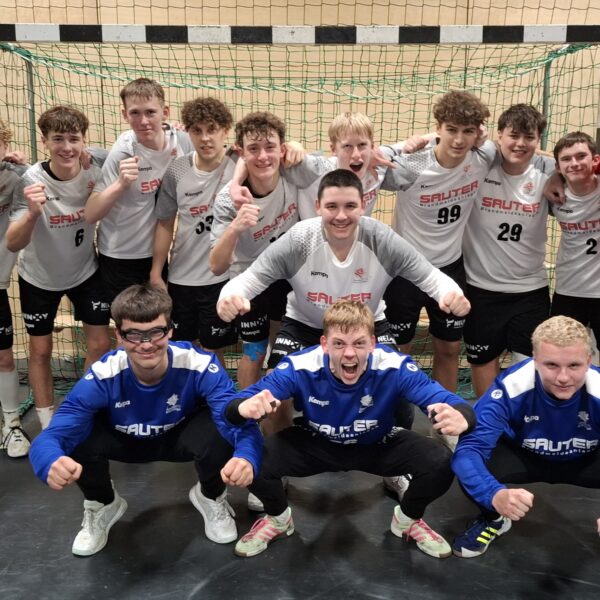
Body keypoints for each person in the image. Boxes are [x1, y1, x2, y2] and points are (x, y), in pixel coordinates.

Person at [223, 300, 475, 559]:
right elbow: (233, 407)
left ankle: (408, 520)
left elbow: (445, 398)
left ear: (373, 343)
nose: (349, 354)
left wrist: (462, 415)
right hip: (317, 442)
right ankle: (278, 519)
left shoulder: (394, 365)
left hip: (376, 444)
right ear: (324, 344)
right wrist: (242, 407)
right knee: (251, 461)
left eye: (359, 343)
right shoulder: (299, 366)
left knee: (440, 461)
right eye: (339, 344)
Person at [29, 284, 263, 556]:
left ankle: (210, 495)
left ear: (170, 330)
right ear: (119, 335)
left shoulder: (199, 364)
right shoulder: (103, 374)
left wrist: (246, 456)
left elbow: (237, 419)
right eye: (134, 334)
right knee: (77, 435)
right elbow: (54, 433)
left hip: (179, 437)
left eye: (156, 332)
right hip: (124, 439)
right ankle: (102, 503)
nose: (147, 344)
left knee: (222, 427)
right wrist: (49, 461)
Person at [452, 316, 600, 558]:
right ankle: (494, 519)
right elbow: (468, 452)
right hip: (524, 456)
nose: (563, 377)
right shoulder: (510, 387)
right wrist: (493, 495)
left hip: (586, 459)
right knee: (472, 466)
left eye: (574, 365)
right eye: (551, 365)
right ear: (534, 359)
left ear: (589, 361)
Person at [380, 90, 495, 393]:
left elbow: (522, 152)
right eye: (451, 130)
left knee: (449, 349)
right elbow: (367, 161)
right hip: (404, 272)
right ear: (438, 128)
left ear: (478, 132)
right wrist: (404, 145)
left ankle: (445, 417)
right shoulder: (412, 165)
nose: (458, 140)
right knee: (397, 353)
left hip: (450, 267)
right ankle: (397, 415)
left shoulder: (483, 157)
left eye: (467, 131)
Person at [6, 106, 111, 431]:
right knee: (40, 351)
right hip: (39, 278)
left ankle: (82, 412)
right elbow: (12, 242)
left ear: (84, 140)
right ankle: (47, 423)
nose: (67, 147)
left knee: (100, 344)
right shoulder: (30, 180)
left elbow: (130, 150)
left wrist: (172, 131)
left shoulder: (95, 168)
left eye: (74, 139)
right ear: (44, 141)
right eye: (58, 139)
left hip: (85, 272)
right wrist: (32, 214)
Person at [209, 111, 330, 388]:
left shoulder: (291, 171)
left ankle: (282, 410)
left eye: (270, 147)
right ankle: (245, 411)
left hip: (288, 275)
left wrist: (299, 148)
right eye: (253, 149)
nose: (263, 156)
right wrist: (235, 228)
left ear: (281, 149)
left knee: (284, 350)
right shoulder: (229, 200)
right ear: (241, 153)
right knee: (254, 351)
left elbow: (335, 162)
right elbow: (216, 266)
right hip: (251, 277)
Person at [462, 104, 554, 397]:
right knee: (483, 366)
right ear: (499, 135)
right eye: (513, 135)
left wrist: (559, 172)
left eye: (529, 137)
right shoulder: (478, 168)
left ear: (538, 140)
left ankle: (522, 423)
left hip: (529, 292)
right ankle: (490, 423)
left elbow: (575, 163)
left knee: (527, 374)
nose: (520, 144)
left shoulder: (548, 175)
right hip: (481, 290)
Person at [85, 78, 194, 301]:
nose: (143, 121)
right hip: (119, 254)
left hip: (158, 255)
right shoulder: (124, 152)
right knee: (128, 322)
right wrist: (120, 185)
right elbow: (90, 214)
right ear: (125, 115)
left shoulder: (182, 142)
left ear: (165, 112)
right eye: (135, 113)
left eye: (150, 112)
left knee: (161, 319)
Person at [149, 97, 238, 366]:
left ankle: (215, 395)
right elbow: (165, 223)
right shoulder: (177, 169)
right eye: (197, 130)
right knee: (180, 351)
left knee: (213, 351)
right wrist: (156, 271)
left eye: (212, 129)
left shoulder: (240, 165)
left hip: (221, 278)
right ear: (188, 132)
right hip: (182, 278)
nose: (205, 138)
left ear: (225, 130)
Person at [549, 131, 600, 353]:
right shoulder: (554, 197)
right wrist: (553, 179)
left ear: (595, 160)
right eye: (567, 159)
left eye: (581, 156)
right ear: (558, 167)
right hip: (568, 290)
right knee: (563, 355)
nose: (575, 163)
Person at [0, 117, 30, 457]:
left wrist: (23, 167)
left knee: (4, 356)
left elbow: (46, 179)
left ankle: (11, 424)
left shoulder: (14, 178)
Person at [296, 112, 388, 219]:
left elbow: (403, 146)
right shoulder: (316, 172)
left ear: (372, 146)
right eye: (347, 146)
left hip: (356, 229)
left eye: (362, 145)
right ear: (333, 149)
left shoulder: (380, 166)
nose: (356, 155)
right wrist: (293, 145)